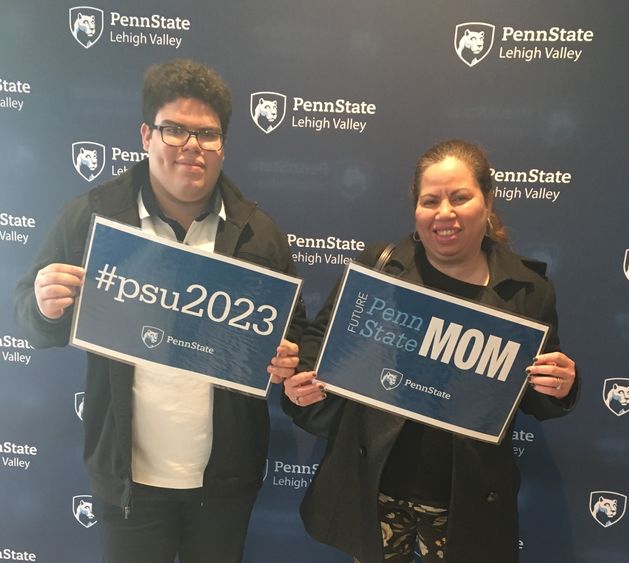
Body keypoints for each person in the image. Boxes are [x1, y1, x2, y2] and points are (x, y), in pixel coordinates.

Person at [14, 59, 306, 563]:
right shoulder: (91, 217)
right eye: (175, 130)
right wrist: (43, 306)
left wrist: (288, 359)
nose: (192, 147)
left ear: (223, 146)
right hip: (128, 482)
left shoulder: (259, 233)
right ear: (147, 134)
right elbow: (31, 320)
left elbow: (294, 334)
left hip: (223, 482)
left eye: (207, 135)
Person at [283, 139, 578, 563]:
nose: (444, 213)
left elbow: (535, 396)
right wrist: (301, 380)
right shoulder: (379, 267)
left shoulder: (529, 293)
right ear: (416, 209)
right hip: (379, 490)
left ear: (488, 201)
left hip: (463, 503)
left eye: (460, 197)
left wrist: (562, 385)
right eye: (430, 200)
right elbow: (318, 343)